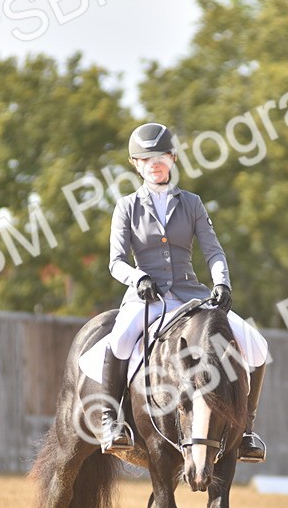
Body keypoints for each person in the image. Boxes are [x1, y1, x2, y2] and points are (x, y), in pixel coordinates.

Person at [100, 122, 267, 463]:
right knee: (118, 342)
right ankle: (111, 422)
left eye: (161, 156)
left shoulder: (191, 203)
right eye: (146, 158)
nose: (154, 163)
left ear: (173, 158)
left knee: (258, 346)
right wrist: (136, 278)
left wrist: (222, 282)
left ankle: (247, 430)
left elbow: (214, 251)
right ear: (136, 164)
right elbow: (115, 261)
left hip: (192, 297)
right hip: (147, 297)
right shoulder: (127, 207)